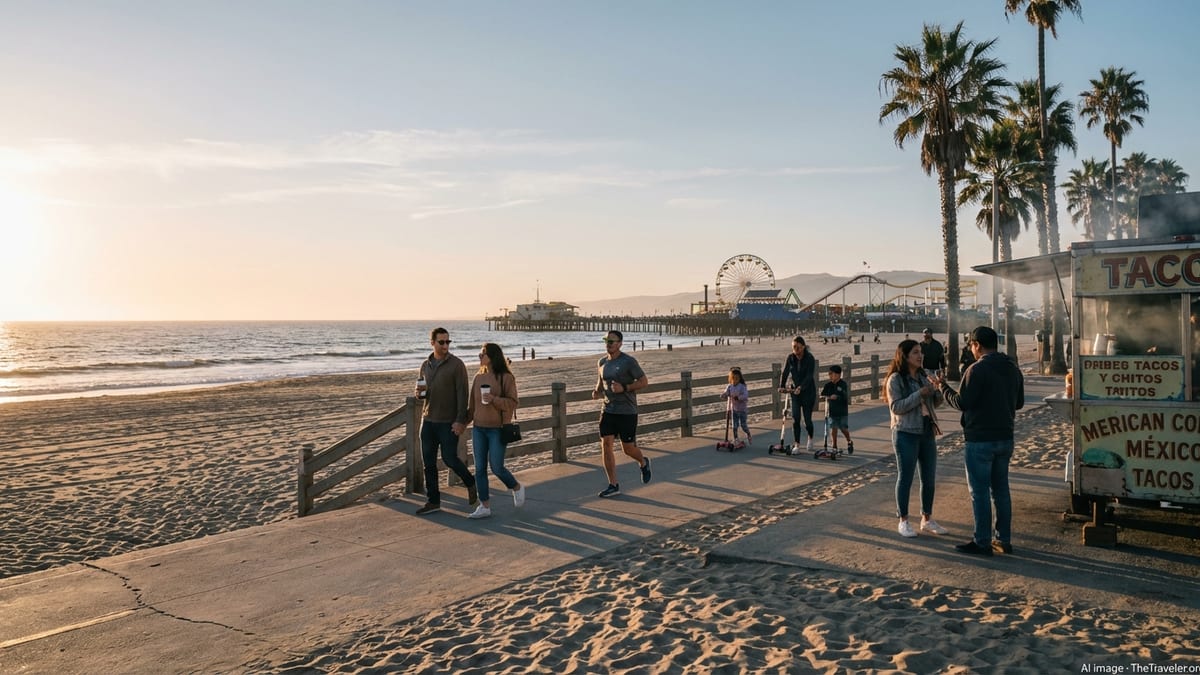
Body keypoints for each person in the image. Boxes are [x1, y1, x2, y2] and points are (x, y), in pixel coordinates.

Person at [933, 326, 1024, 556]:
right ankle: (1003, 539)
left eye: (972, 346)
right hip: (1005, 436)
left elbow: (962, 402)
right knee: (1001, 490)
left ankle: (982, 541)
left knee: (980, 491)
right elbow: (1019, 403)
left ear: (977, 345)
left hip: (980, 439)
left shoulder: (977, 369)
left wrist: (942, 387)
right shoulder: (1012, 368)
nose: (972, 350)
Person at [885, 339, 948, 538]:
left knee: (929, 478)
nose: (920, 356)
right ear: (904, 356)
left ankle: (927, 519)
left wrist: (939, 389)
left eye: (921, 352)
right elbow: (896, 407)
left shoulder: (924, 375)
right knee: (905, 477)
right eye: (915, 352)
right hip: (905, 432)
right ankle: (903, 520)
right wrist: (919, 394)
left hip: (927, 430)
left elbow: (936, 403)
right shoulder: (896, 379)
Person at [415, 327, 477, 516]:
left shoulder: (457, 365)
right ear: (432, 342)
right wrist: (418, 395)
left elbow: (463, 394)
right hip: (428, 421)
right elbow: (421, 391)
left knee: (450, 459)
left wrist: (460, 421)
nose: (445, 345)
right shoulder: (426, 365)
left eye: (447, 342)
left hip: (447, 422)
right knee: (429, 464)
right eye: (441, 342)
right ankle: (433, 501)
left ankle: (471, 482)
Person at [465, 342, 525, 519]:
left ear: (492, 356)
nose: (479, 356)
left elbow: (513, 403)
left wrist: (494, 399)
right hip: (478, 429)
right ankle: (484, 506)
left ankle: (516, 487)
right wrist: (462, 423)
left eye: (482, 353)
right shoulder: (477, 378)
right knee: (480, 468)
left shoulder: (506, 377)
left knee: (497, 467)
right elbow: (471, 407)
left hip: (497, 429)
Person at [592, 330, 651, 497]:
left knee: (628, 449)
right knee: (606, 444)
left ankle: (643, 461)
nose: (608, 344)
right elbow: (601, 382)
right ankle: (613, 484)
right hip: (608, 410)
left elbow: (644, 382)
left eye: (612, 341)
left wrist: (624, 388)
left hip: (627, 411)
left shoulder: (629, 362)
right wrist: (596, 392)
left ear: (620, 343)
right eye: (606, 340)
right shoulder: (602, 362)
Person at [779, 335, 817, 453]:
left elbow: (809, 376)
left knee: (807, 420)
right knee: (795, 419)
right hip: (794, 392)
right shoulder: (790, 358)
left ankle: (810, 437)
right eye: (794, 347)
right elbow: (785, 372)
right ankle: (797, 444)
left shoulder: (810, 358)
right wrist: (781, 386)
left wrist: (801, 387)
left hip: (808, 392)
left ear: (803, 347)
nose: (795, 349)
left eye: (798, 347)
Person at [820, 364, 853, 453]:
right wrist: (826, 396)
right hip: (831, 410)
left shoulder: (843, 384)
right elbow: (822, 394)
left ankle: (849, 441)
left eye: (832, 373)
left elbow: (845, 396)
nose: (830, 375)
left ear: (838, 374)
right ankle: (834, 446)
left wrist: (837, 397)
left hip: (842, 411)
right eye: (829, 374)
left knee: (843, 428)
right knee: (833, 428)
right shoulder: (828, 385)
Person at [720, 367, 751, 444]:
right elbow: (726, 392)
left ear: (740, 378)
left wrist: (739, 398)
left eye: (737, 378)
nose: (735, 380)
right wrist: (723, 395)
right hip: (734, 409)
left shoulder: (742, 386)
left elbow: (746, 395)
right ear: (730, 378)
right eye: (733, 378)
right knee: (734, 426)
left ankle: (748, 434)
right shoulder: (730, 386)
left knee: (743, 425)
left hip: (742, 410)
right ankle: (736, 439)